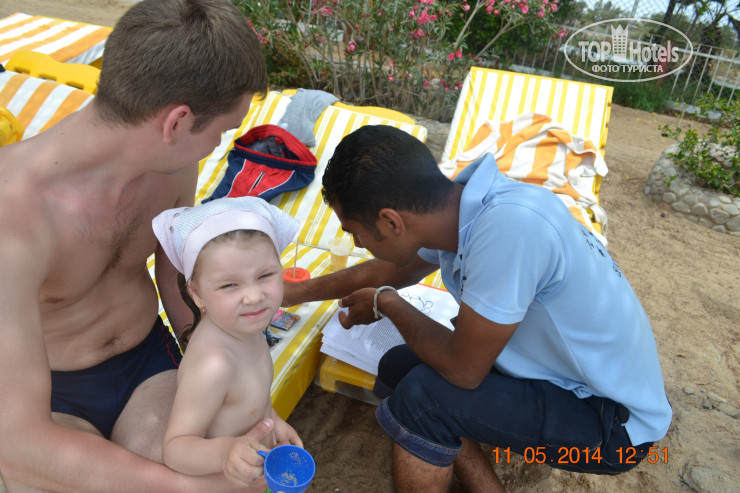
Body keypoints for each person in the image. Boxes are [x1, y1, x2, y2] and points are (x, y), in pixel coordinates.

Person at [283, 125, 672, 492]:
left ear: (391, 222)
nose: (358, 243)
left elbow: (464, 371)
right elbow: (390, 269)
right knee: (400, 368)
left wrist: (386, 301)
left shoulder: (510, 230)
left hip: (613, 427)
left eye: (355, 233)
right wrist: (292, 293)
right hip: (567, 382)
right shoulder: (461, 209)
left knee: (423, 399)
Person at [0, 0, 273, 491]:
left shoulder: (173, 163)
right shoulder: (13, 214)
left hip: (146, 360)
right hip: (50, 393)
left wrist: (234, 374)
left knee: (233, 466)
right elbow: (18, 445)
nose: (217, 145)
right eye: (221, 132)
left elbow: (178, 276)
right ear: (176, 122)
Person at [152, 196, 303, 488]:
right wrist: (225, 453)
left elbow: (252, 394)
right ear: (197, 294)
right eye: (230, 284)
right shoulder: (214, 365)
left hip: (256, 472)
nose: (254, 296)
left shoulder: (244, 327)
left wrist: (274, 421)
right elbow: (176, 448)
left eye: (265, 275)